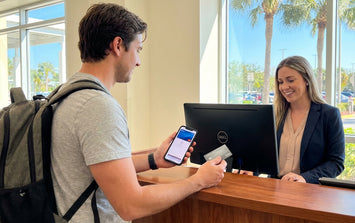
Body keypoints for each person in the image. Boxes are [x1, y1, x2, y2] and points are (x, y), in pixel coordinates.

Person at [50, 3, 227, 222]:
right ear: (117, 45)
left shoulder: (64, 95)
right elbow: (131, 205)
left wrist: (154, 159)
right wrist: (199, 180)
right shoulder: (97, 107)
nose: (138, 61)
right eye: (137, 49)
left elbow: (100, 165)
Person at [274, 55, 345, 184]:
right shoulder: (275, 114)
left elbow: (336, 163)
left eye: (290, 80)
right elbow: (265, 156)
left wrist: (305, 178)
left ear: (306, 80)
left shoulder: (329, 115)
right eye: (281, 82)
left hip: (310, 191)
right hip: (274, 189)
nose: (284, 87)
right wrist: (251, 170)